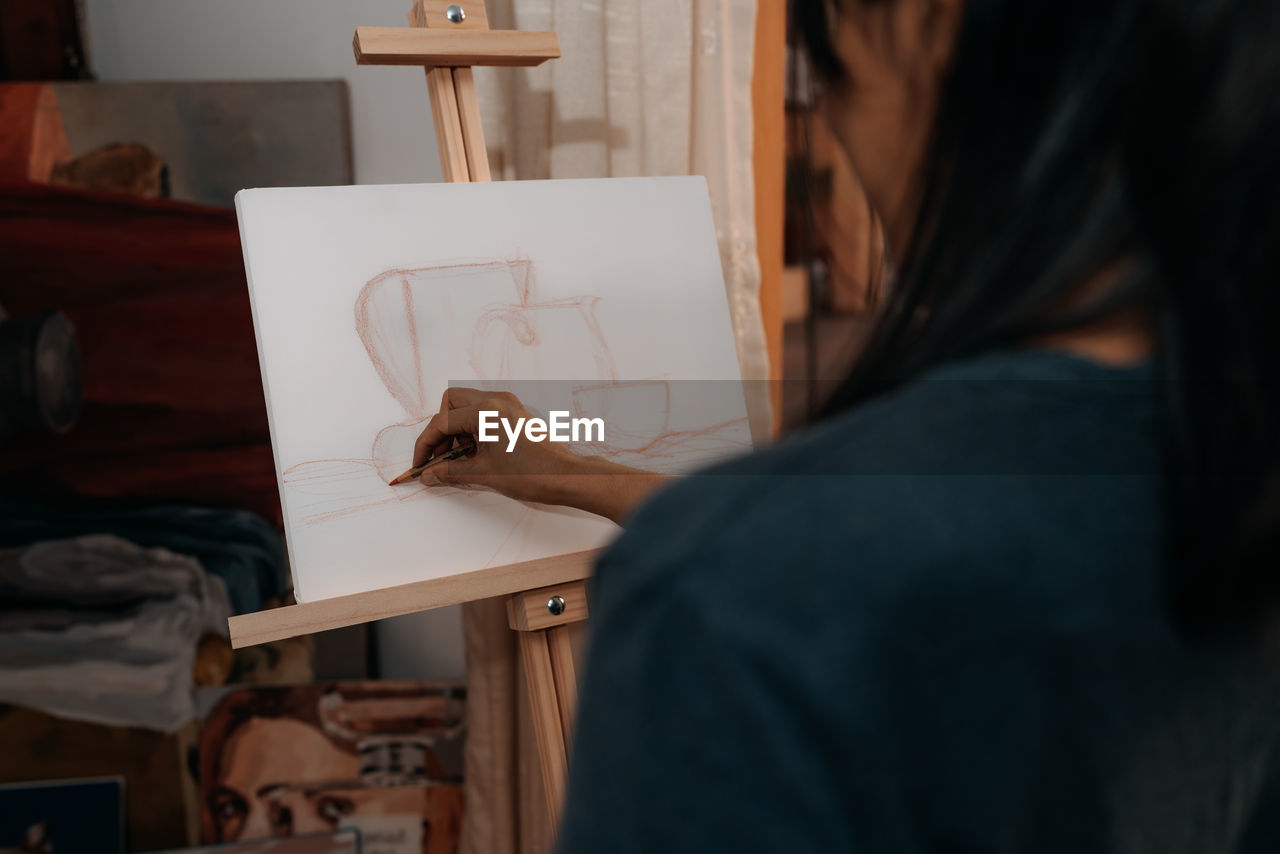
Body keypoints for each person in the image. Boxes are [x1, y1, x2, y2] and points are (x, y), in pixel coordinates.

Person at [411, 0, 1280, 850]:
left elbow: (812, 568)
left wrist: (695, 551)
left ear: (931, 26)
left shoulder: (725, 609)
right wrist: (556, 464)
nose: (831, 119)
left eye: (831, 59)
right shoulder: (1221, 450)